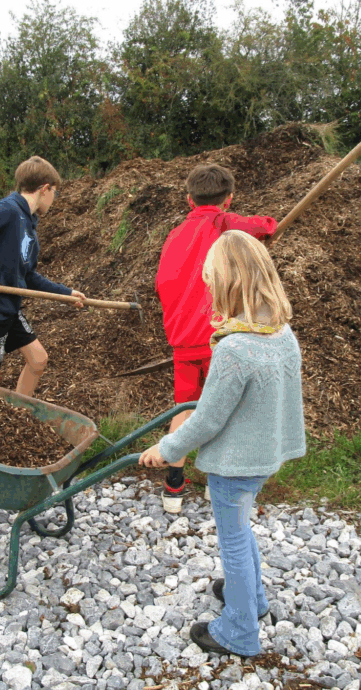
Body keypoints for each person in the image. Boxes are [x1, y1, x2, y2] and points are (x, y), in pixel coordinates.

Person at [140, 230, 305, 657]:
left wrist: (168, 449)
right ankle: (252, 597)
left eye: (211, 278)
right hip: (266, 455)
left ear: (229, 282)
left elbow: (207, 420)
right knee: (242, 529)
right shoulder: (281, 333)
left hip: (235, 465)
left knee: (232, 539)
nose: (207, 285)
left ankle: (239, 631)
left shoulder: (234, 349)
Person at [154, 164, 278, 513]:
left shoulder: (175, 234)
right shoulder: (224, 224)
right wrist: (269, 227)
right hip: (220, 337)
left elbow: (164, 281)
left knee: (185, 406)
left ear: (188, 199)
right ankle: (216, 483)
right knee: (227, 406)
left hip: (182, 337)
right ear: (229, 199)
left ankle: (173, 484)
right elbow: (261, 226)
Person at [0, 156, 84, 397]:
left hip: (9, 308)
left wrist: (65, 293)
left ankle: (19, 411)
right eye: (55, 192)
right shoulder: (9, 210)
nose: (55, 198)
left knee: (38, 360)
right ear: (45, 189)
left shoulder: (29, 224)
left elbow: (29, 276)